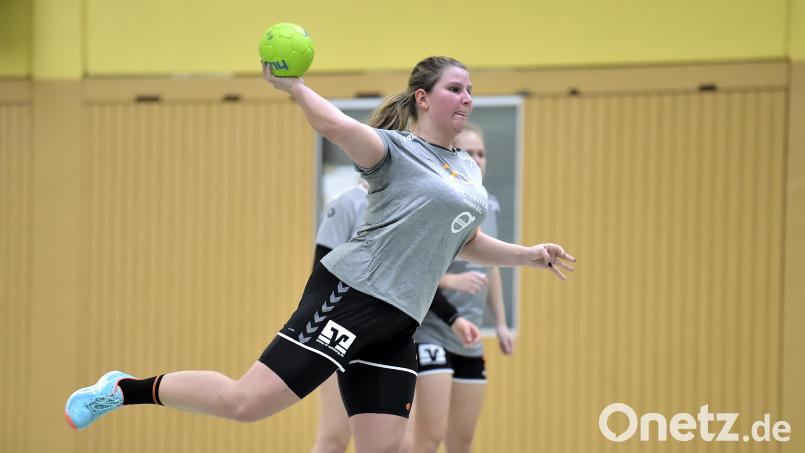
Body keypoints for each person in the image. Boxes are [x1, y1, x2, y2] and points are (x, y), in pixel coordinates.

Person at [64, 56, 575, 453]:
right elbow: (336, 126)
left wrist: (529, 255)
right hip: (351, 297)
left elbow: (463, 242)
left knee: (385, 446)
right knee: (247, 403)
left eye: (470, 90)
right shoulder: (395, 150)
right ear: (423, 97)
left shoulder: (467, 169)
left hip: (400, 322)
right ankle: (124, 388)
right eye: (454, 88)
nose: (466, 97)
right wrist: (295, 87)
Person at [310, 180, 481, 453]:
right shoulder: (347, 204)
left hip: (388, 339)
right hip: (342, 333)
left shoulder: (409, 207)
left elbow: (413, 279)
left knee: (400, 442)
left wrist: (453, 318)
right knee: (334, 438)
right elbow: (320, 276)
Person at [405, 123, 513, 453]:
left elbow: (490, 266)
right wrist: (450, 280)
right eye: (469, 152)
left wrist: (501, 323)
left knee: (461, 441)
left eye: (482, 153)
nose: (477, 159)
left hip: (470, 340)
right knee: (428, 438)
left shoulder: (487, 205)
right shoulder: (437, 200)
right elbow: (411, 268)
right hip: (432, 332)